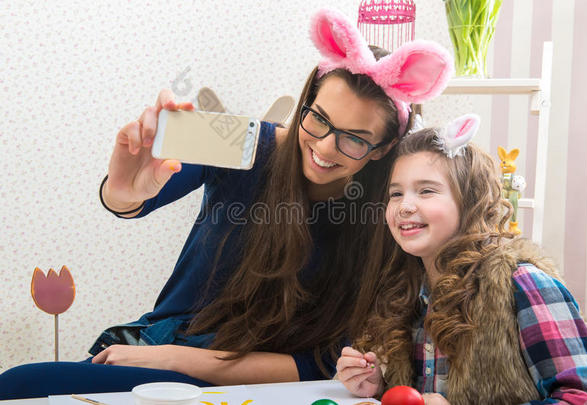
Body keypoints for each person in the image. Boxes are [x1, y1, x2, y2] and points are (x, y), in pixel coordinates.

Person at [0, 8, 453, 399]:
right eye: (317, 119)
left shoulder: (384, 222)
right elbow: (131, 197)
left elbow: (320, 364)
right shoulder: (244, 140)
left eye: (354, 138)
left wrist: (178, 360)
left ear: (381, 149)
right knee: (21, 386)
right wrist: (123, 191)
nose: (325, 147)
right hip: (153, 353)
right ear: (305, 105)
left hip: (232, 381)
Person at [336, 115, 587, 404]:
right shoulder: (407, 295)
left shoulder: (522, 284)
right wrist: (378, 385)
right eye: (396, 193)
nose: (404, 206)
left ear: (469, 201)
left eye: (426, 190)